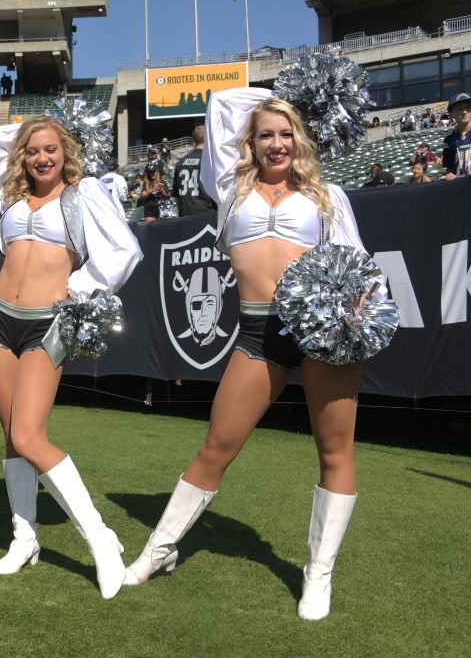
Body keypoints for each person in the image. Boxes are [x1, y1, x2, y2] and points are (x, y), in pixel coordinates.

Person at [124, 88, 384, 622]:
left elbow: (359, 263)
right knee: (217, 444)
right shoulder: (229, 189)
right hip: (258, 332)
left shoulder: (327, 195)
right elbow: (221, 104)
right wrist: (279, 95)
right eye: (265, 133)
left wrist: (360, 309)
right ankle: (160, 547)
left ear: (300, 140)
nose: (277, 143)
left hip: (323, 332)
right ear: (250, 142)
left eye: (287, 133)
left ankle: (319, 574)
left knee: (334, 451)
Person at [0, 116, 142, 599]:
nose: (41, 158)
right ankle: (25, 536)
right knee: (11, 436)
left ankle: (100, 541)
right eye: (31, 151)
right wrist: (31, 126)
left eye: (51, 149)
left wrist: (80, 288)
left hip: (47, 325)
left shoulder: (84, 193)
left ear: (66, 152)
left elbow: (124, 251)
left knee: (30, 434)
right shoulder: (10, 196)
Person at [173, 124, 216, 217]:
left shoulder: (181, 162)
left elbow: (176, 194)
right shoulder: (210, 161)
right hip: (206, 215)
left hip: (185, 215)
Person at [442, 93, 471, 181]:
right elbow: (449, 168)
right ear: (451, 114)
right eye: (459, 108)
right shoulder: (448, 140)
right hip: (461, 188)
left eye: (468, 107)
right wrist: (450, 174)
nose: (464, 111)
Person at [139, 148, 170, 222]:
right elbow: (143, 195)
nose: (153, 174)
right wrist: (151, 190)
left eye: (154, 153)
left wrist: (161, 189)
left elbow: (167, 196)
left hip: (161, 206)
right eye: (151, 173)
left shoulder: (160, 163)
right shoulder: (147, 182)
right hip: (150, 207)